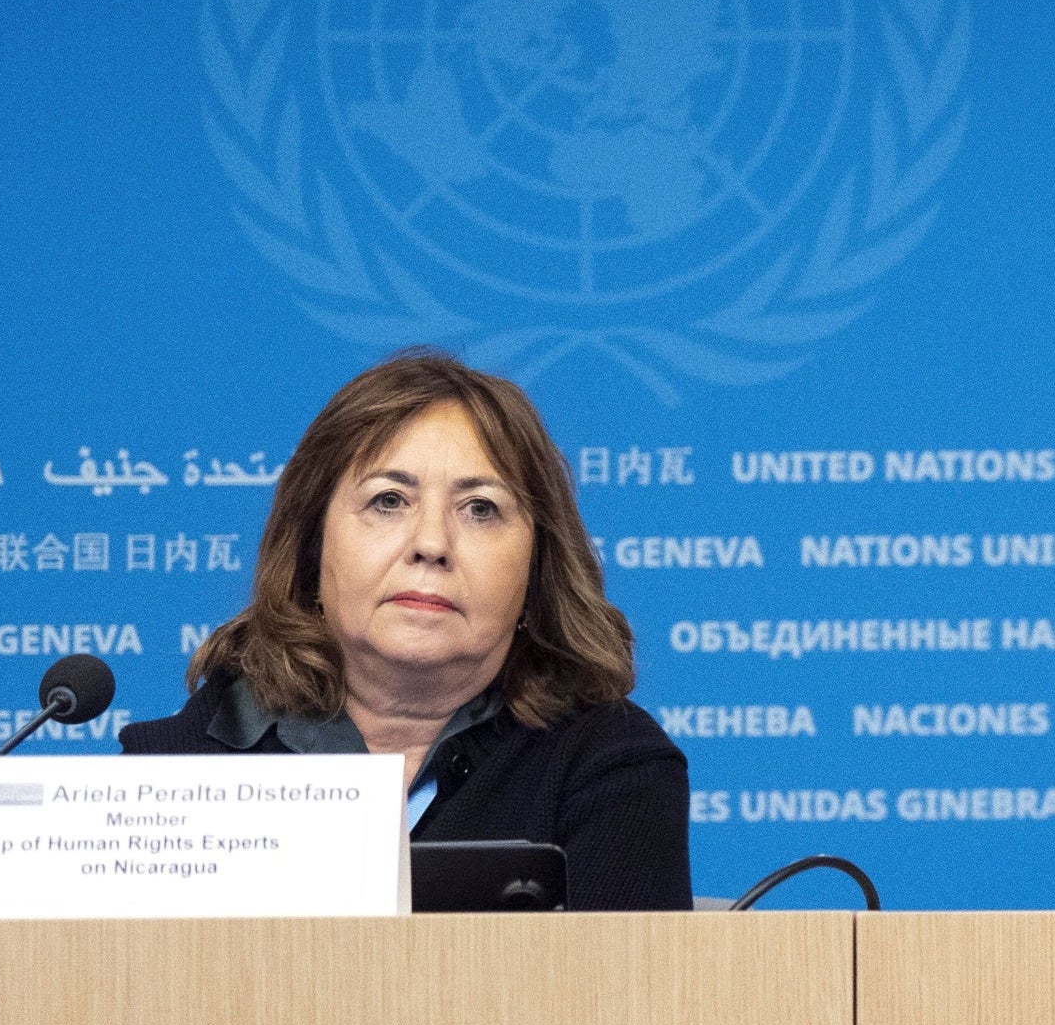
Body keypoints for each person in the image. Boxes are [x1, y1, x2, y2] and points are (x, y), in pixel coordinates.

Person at [124, 351, 692, 910]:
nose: (432, 544)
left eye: (480, 509)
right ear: (311, 547)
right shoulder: (171, 774)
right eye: (389, 500)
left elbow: (625, 1003)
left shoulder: (612, 771)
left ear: (536, 570)